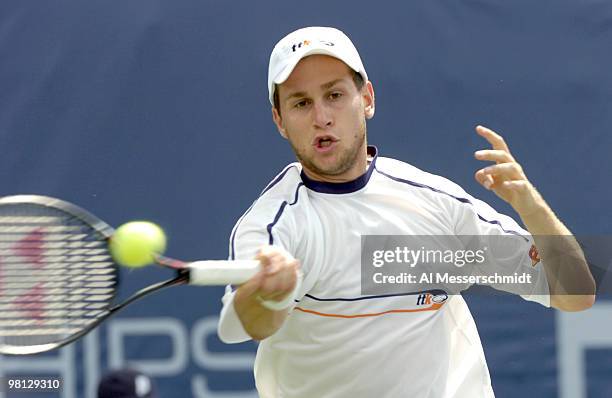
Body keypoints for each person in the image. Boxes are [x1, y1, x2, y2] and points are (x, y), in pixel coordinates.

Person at [217, 26, 595, 397]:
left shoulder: (436, 205)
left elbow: (575, 293)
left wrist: (528, 203)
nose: (322, 117)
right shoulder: (272, 225)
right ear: (280, 121)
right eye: (301, 103)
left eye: (334, 94)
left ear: (366, 98)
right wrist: (270, 295)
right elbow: (248, 325)